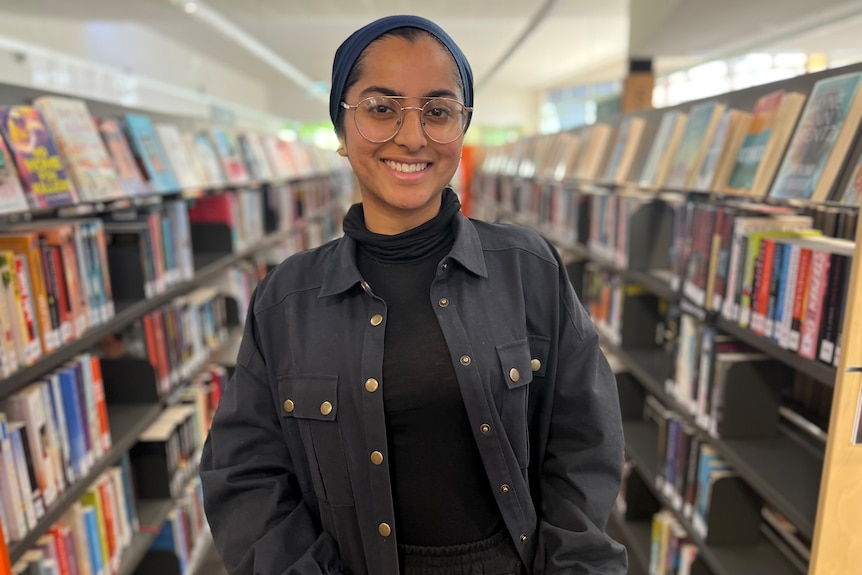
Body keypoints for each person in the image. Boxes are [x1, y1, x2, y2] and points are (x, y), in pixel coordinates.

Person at [200, 14, 627, 575]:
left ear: (461, 126)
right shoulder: (287, 299)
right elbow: (245, 473)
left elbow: (584, 445)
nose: (412, 136)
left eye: (439, 111)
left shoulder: (529, 269)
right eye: (381, 108)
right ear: (341, 129)